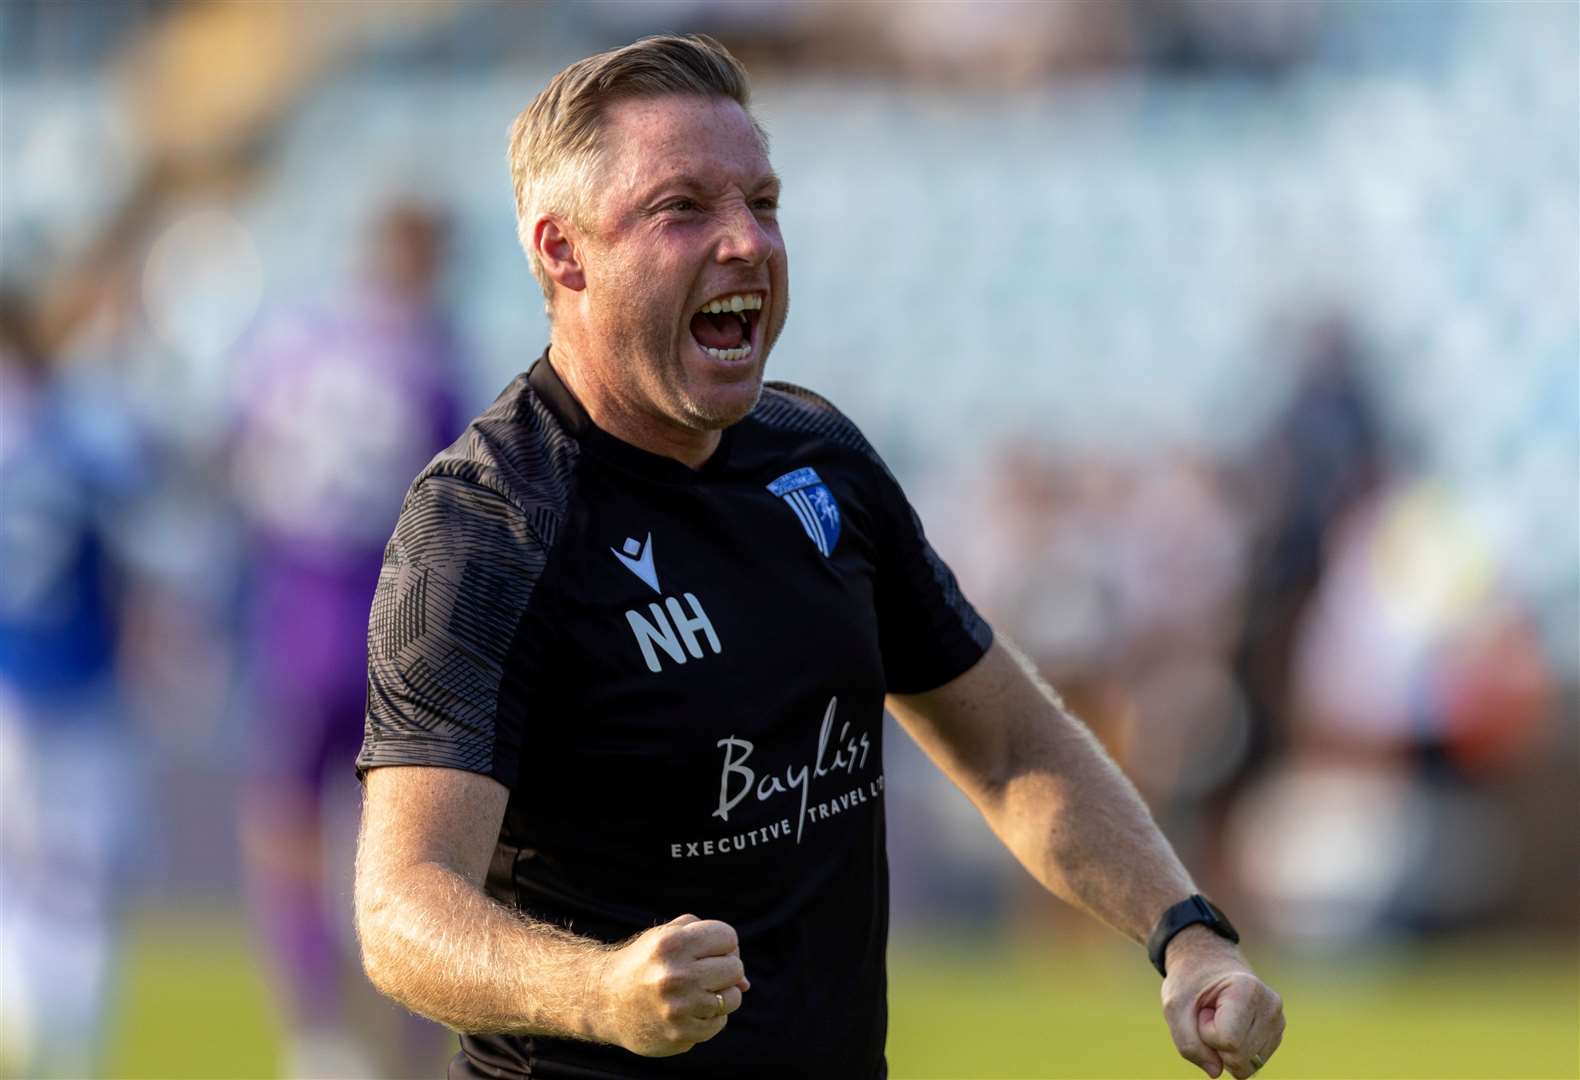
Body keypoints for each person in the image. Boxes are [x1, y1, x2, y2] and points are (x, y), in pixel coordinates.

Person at [352, 34, 1285, 1080]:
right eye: (683, 208)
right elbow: (402, 907)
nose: (747, 242)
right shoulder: (489, 523)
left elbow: (1011, 746)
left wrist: (1185, 934)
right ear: (563, 253)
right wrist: (600, 990)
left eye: (762, 201)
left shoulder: (818, 460)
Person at [232, 204, 463, 1075]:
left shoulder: (292, 343)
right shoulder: (431, 363)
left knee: (285, 825)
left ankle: (319, 1035)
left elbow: (239, 457)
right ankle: (412, 1040)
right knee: (417, 842)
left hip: (296, 604)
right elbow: (457, 508)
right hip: (395, 615)